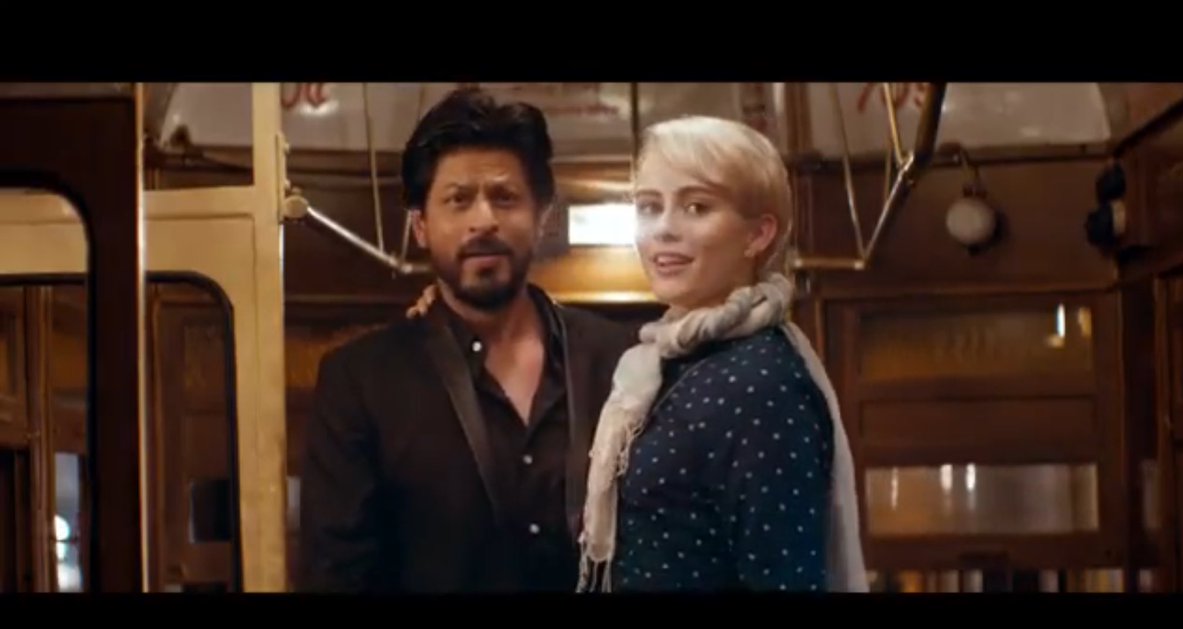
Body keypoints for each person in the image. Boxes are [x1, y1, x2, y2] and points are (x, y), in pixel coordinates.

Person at [299, 87, 634, 592]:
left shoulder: (619, 360)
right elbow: (336, 575)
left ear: (542, 217)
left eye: (505, 197)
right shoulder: (361, 381)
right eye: (458, 200)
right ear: (420, 226)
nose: (484, 220)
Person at [576, 115, 868, 592]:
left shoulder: (760, 382)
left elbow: (785, 579)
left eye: (696, 206)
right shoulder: (669, 361)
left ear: (758, 235)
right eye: (649, 206)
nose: (664, 229)